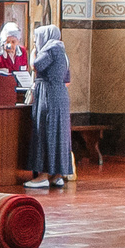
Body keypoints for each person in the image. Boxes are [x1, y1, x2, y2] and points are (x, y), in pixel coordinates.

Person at [26, 23, 74, 190]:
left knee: (46, 132)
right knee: (59, 134)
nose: (35, 43)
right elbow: (67, 79)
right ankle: (57, 175)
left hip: (48, 95)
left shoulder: (50, 49)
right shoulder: (61, 50)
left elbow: (36, 65)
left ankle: (43, 176)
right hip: (60, 94)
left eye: (36, 39)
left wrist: (33, 54)